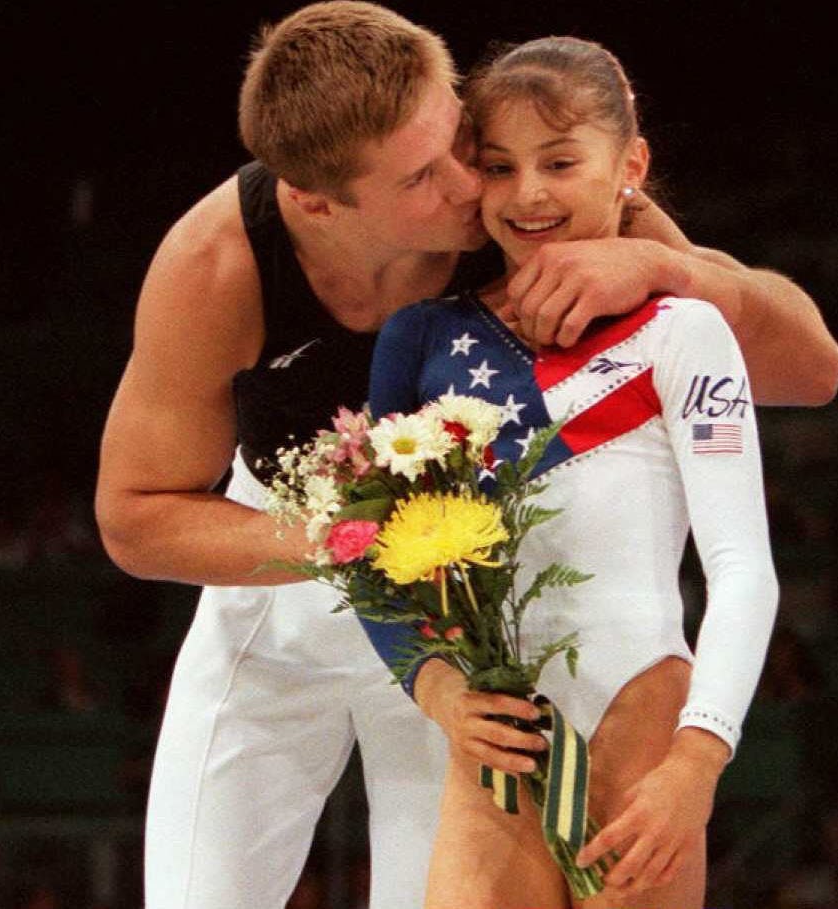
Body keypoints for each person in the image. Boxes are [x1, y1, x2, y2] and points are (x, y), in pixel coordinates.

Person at [94, 3, 835, 908]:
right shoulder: (219, 261)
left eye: (457, 140)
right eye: (420, 175)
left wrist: (667, 268)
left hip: (462, 617)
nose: (466, 185)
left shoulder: (523, 199)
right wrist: (368, 538)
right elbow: (134, 518)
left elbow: (811, 368)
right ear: (315, 201)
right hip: (283, 585)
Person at [366, 36, 779, 908]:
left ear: (630, 165)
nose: (528, 193)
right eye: (499, 166)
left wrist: (696, 760)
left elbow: (742, 566)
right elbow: (372, 553)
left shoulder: (683, 330)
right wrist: (440, 693)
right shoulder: (420, 338)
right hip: (496, 731)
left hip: (643, 722)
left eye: (559, 162)